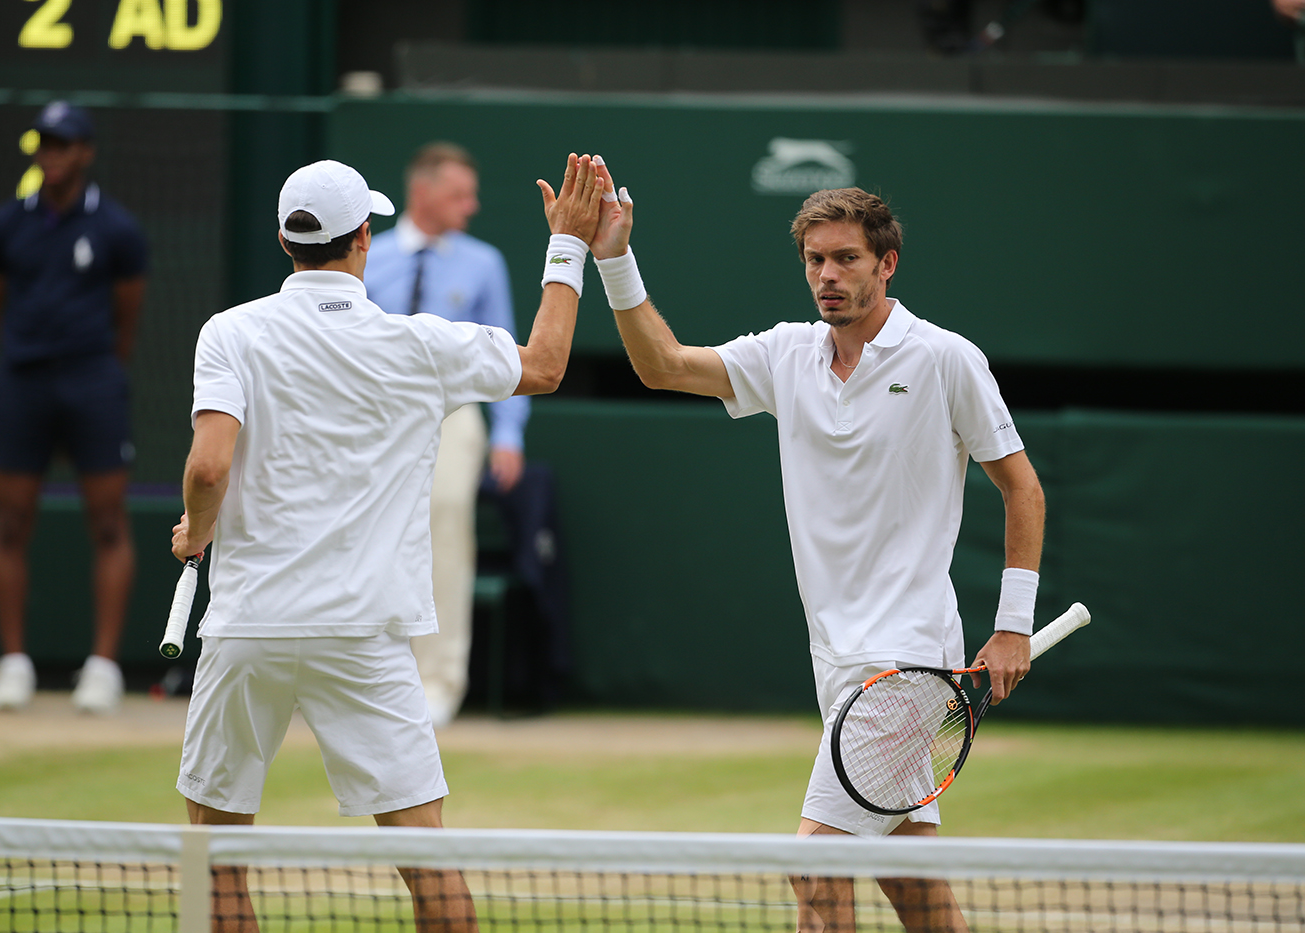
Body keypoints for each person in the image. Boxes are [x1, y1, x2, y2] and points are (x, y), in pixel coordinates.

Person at [587, 162, 1044, 933]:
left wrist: (1013, 624)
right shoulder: (785, 354)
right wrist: (612, 258)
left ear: (886, 263)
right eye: (815, 261)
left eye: (846, 259)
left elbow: (1022, 486)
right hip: (836, 658)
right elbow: (660, 364)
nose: (827, 276)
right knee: (915, 888)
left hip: (907, 662)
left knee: (814, 865)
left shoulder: (945, 359)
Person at [170, 155, 602, 933]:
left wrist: (196, 532)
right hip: (364, 635)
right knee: (427, 862)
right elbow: (545, 365)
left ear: (284, 239)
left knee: (214, 858)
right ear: (364, 238)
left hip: (247, 628)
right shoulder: (420, 344)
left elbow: (208, 466)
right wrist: (567, 245)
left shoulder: (227, 333)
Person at [0, 100, 147, 714]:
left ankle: (101, 668)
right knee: (12, 520)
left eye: (63, 143)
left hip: (93, 382)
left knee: (106, 521)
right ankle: (15, 664)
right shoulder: (4, 226)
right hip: (23, 381)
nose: (51, 154)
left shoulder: (117, 230)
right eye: (44, 143)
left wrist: (96, 365)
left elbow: (127, 314)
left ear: (85, 152)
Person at [362, 142, 528, 728]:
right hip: (372, 415)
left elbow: (510, 354)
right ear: (422, 193)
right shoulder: (369, 257)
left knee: (444, 522)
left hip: (453, 410)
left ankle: (438, 681)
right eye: (459, 193)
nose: (472, 205)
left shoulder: (482, 263)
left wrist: (509, 433)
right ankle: (369, 676)